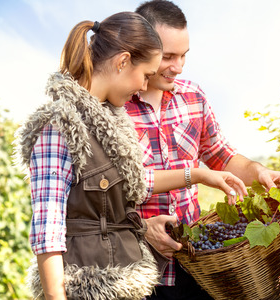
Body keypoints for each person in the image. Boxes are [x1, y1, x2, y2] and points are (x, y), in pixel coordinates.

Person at [14, 11, 247, 300]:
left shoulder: (112, 121)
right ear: (122, 61)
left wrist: (197, 174)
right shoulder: (58, 125)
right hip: (87, 285)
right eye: (146, 75)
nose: (145, 86)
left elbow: (133, 181)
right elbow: (48, 226)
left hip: (123, 281)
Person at [125, 1, 280, 299]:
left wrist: (260, 171)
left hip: (198, 264)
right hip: (135, 269)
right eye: (168, 56)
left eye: (183, 56)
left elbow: (223, 156)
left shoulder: (193, 96)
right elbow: (93, 197)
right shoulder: (112, 106)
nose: (177, 67)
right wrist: (140, 226)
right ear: (140, 48)